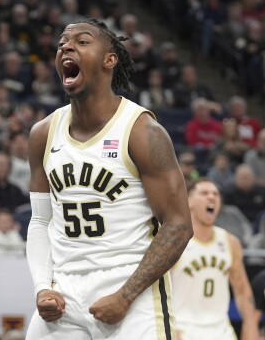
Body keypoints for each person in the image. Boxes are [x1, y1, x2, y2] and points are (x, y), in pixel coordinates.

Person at [25, 18, 193, 339]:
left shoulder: (143, 131)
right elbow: (39, 222)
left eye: (82, 41)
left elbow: (179, 225)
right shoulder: (42, 134)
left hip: (130, 284)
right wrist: (43, 286)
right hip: (64, 289)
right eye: (62, 43)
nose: (67, 47)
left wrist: (126, 296)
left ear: (109, 60)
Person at [171, 178, 259, 340]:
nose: (212, 197)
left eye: (216, 194)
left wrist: (251, 324)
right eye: (204, 193)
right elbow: (157, 291)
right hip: (183, 329)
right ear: (189, 201)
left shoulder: (230, 242)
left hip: (222, 330)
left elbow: (241, 289)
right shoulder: (174, 241)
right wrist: (169, 327)